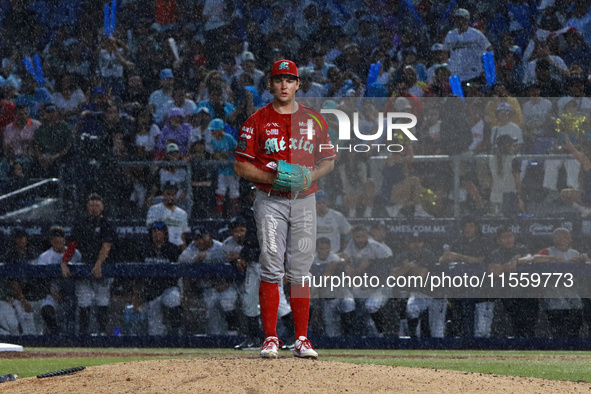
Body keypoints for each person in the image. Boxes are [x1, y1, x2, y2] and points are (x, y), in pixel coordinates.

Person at [234, 59, 336, 359]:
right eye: (278, 79)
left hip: (304, 199)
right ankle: (270, 338)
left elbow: (328, 160)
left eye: (289, 80)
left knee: (301, 271)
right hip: (270, 199)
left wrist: (308, 176)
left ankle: (302, 338)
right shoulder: (256, 120)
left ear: (297, 84)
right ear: (270, 84)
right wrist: (272, 177)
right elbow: (240, 165)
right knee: (270, 266)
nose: (283, 85)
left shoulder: (314, 119)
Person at [61, 193, 117, 335]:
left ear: (102, 207)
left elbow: (107, 245)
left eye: (97, 205)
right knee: (84, 301)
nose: (94, 208)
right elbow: (72, 244)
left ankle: (102, 334)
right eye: (91, 205)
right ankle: (84, 336)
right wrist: (64, 262)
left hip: (104, 266)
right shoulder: (81, 223)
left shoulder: (107, 223)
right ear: (87, 206)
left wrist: (99, 263)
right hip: (84, 266)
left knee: (102, 300)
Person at [530, 228, 586, 338]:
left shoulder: (574, 253)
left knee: (575, 323)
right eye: (566, 237)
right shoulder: (548, 251)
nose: (569, 239)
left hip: (572, 295)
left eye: (569, 237)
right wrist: (554, 259)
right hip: (554, 296)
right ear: (557, 239)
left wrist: (580, 261)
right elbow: (534, 259)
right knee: (559, 327)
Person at [131, 221, 183, 335]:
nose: (156, 233)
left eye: (159, 231)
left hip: (169, 288)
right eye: (154, 231)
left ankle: (176, 330)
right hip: (151, 292)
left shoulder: (173, 249)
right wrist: (136, 297)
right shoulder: (143, 250)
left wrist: (184, 295)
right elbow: (137, 277)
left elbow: (182, 274)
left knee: (173, 299)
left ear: (165, 233)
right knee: (155, 331)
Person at [486, 226, 536, 338]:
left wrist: (516, 260)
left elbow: (530, 257)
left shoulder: (521, 249)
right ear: (498, 240)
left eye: (510, 236)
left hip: (526, 294)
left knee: (528, 326)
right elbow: (495, 272)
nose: (508, 239)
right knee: (510, 327)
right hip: (505, 295)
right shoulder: (495, 254)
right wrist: (506, 265)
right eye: (504, 237)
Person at [36, 226, 82, 335]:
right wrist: (50, 291)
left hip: (73, 292)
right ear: (51, 241)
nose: (58, 243)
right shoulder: (44, 257)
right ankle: (55, 334)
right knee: (47, 309)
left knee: (73, 322)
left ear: (64, 240)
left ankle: (74, 341)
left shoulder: (75, 254)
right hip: (54, 293)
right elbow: (40, 280)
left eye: (60, 240)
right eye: (55, 241)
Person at [146, 181, 190, 248]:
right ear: (163, 194)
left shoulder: (182, 213)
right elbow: (152, 231)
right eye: (168, 194)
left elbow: (182, 236)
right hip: (161, 247)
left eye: (173, 194)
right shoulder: (153, 209)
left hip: (176, 248)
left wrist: (183, 252)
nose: (171, 197)